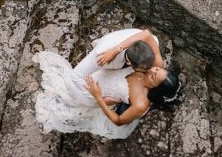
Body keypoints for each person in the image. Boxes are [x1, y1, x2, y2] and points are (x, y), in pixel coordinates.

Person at [33, 28, 183, 139]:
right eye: (157, 69)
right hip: (108, 75)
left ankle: (119, 105)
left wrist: (99, 99)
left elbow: (118, 121)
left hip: (104, 93)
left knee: (85, 97)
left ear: (154, 88)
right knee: (80, 83)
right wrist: (116, 50)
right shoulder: (156, 63)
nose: (151, 70)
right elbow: (147, 34)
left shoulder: (140, 104)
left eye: (153, 76)